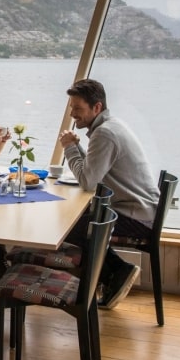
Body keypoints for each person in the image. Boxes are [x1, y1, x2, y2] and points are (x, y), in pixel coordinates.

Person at [59, 78, 159, 309]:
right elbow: (94, 169)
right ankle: (112, 275)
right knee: (77, 224)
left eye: (77, 108)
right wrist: (78, 148)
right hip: (139, 208)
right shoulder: (109, 127)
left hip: (137, 216)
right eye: (71, 107)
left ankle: (117, 272)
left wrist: (69, 147)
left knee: (68, 228)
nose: (73, 113)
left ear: (97, 107)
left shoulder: (104, 134)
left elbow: (87, 181)